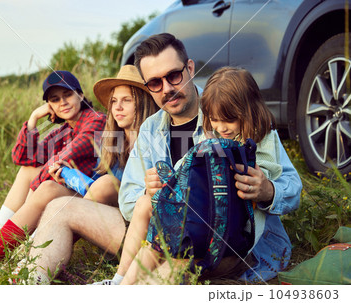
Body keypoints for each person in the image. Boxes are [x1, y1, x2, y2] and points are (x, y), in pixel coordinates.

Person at [93, 33, 301, 285]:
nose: (167, 88)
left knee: (154, 280)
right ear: (148, 88)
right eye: (155, 83)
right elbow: (129, 202)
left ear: (189, 68)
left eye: (173, 76)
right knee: (145, 238)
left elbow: (292, 187)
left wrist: (267, 190)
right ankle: (118, 283)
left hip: (237, 245)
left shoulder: (231, 105)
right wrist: (151, 191)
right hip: (174, 232)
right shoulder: (150, 129)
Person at [0, 65, 159, 284]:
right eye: (114, 101)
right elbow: (25, 158)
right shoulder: (104, 136)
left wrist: (57, 177)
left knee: (87, 185)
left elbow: (72, 167)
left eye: (126, 100)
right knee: (45, 181)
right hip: (100, 210)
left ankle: (18, 248)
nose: (117, 107)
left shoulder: (100, 123)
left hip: (133, 228)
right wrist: (34, 119)